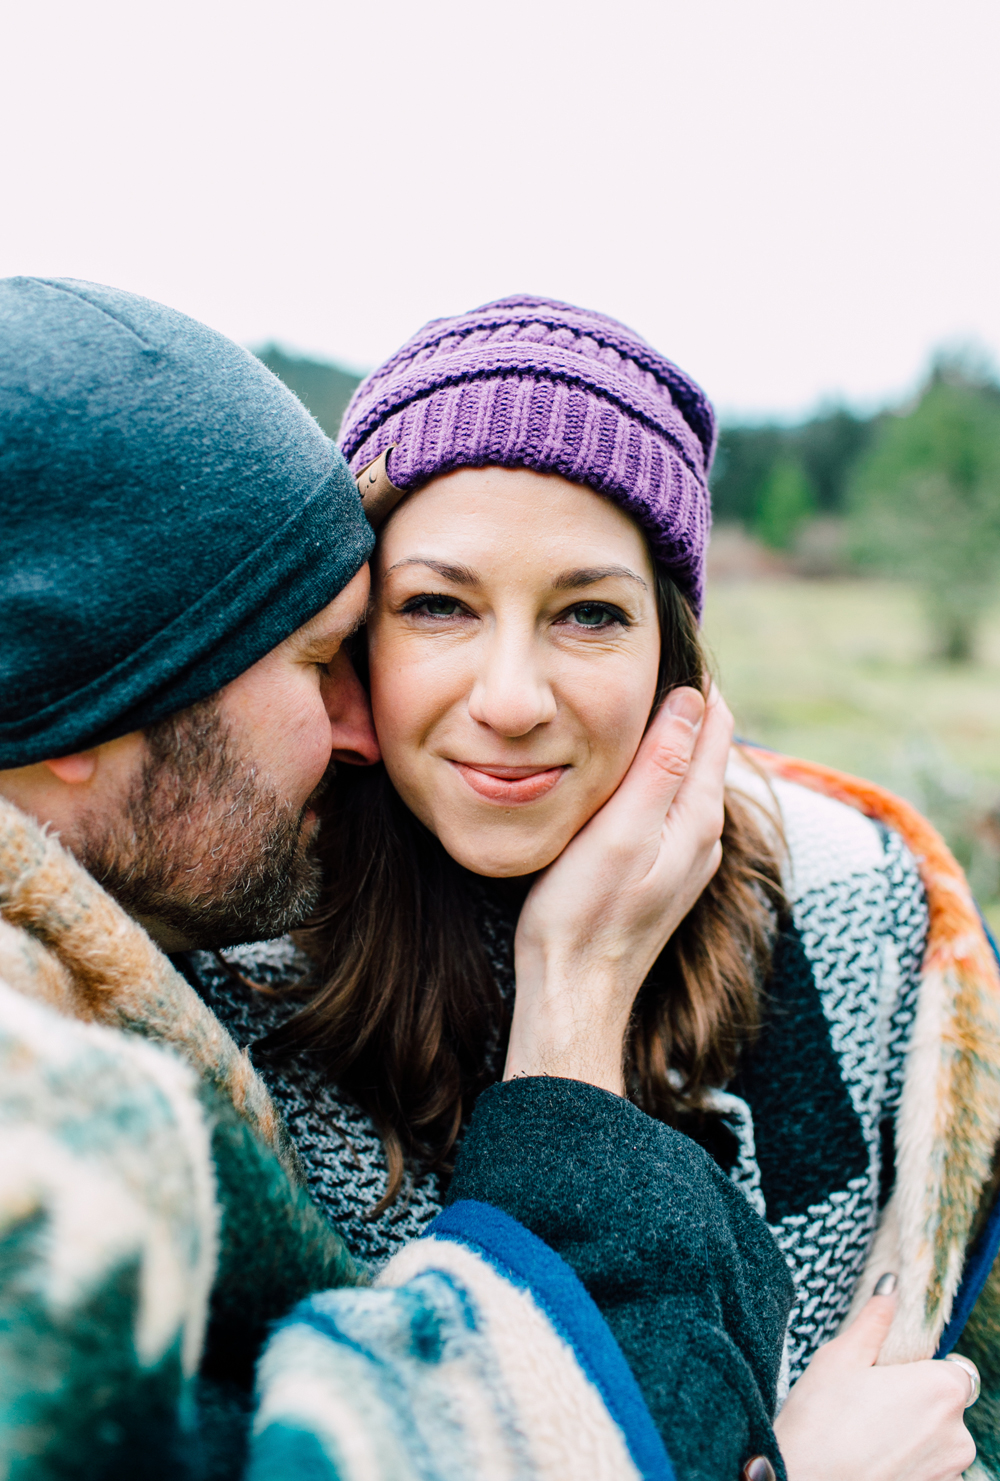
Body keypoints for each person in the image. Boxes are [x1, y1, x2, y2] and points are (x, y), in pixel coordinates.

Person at [0, 275, 796, 1481]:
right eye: (335, 650)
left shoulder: (863, 922)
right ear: (82, 704)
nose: (359, 726)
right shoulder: (68, 1113)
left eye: (589, 613)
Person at [189, 295, 993, 1480]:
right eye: (438, 604)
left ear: (674, 657)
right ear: (356, 639)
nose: (511, 697)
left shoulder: (859, 929)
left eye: (587, 613)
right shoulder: (236, 985)